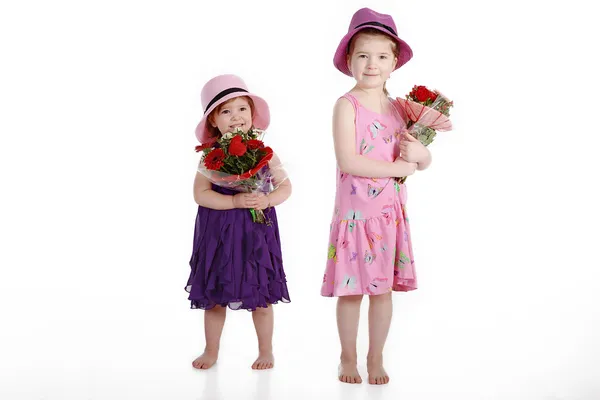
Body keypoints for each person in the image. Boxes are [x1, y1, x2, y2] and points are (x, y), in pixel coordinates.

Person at [320, 8, 432, 385]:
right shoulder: (346, 105)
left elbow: (419, 157)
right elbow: (348, 160)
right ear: (349, 60)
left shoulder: (400, 109)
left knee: (383, 292)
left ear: (394, 61)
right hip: (356, 216)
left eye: (382, 56)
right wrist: (401, 169)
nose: (372, 64)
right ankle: (347, 357)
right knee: (352, 293)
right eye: (363, 55)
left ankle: (376, 357)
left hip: (389, 216)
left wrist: (421, 156)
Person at [186, 74, 291, 370]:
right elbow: (200, 194)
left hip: (255, 232)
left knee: (262, 295)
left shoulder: (264, 153)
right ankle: (211, 349)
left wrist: (266, 200)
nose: (236, 117)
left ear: (252, 114)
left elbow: (285, 187)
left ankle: (266, 350)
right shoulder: (210, 158)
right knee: (214, 296)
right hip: (219, 232)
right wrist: (233, 201)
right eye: (226, 111)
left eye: (242, 109)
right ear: (214, 122)